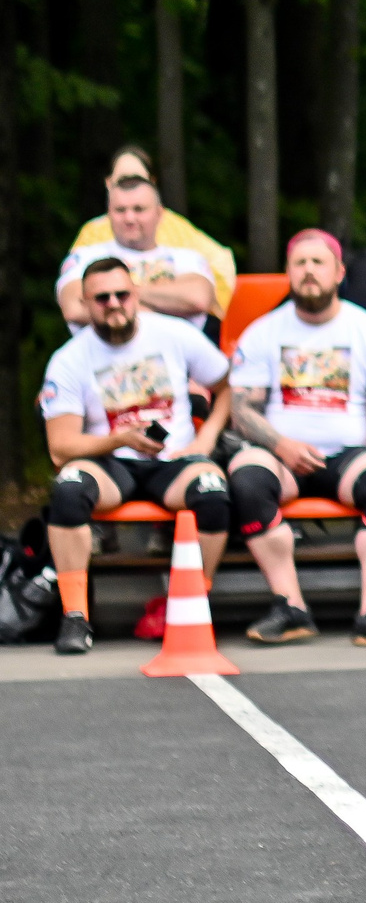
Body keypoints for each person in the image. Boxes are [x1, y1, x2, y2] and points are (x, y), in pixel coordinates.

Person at [224, 230, 366, 647]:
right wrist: (281, 446)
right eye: (300, 263)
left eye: (318, 263)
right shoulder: (263, 332)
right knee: (246, 478)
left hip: (348, 457)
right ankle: (290, 606)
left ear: (339, 273)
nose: (309, 271)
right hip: (282, 455)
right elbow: (242, 411)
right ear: (288, 273)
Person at [39, 259, 235, 655]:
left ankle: (192, 604)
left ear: (136, 294)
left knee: (213, 490)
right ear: (85, 304)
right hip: (111, 464)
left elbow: (227, 385)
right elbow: (61, 447)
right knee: (68, 490)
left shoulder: (175, 334)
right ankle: (75, 617)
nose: (114, 304)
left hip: (173, 460)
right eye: (102, 298)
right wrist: (118, 439)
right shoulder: (69, 359)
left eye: (122, 294)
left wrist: (207, 436)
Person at [66, 146, 237, 323]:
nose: (130, 218)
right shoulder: (90, 237)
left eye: (139, 209)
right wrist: (166, 303)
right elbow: (74, 305)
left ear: (152, 182)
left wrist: (116, 295)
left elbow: (204, 288)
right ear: (108, 183)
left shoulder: (179, 229)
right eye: (122, 180)